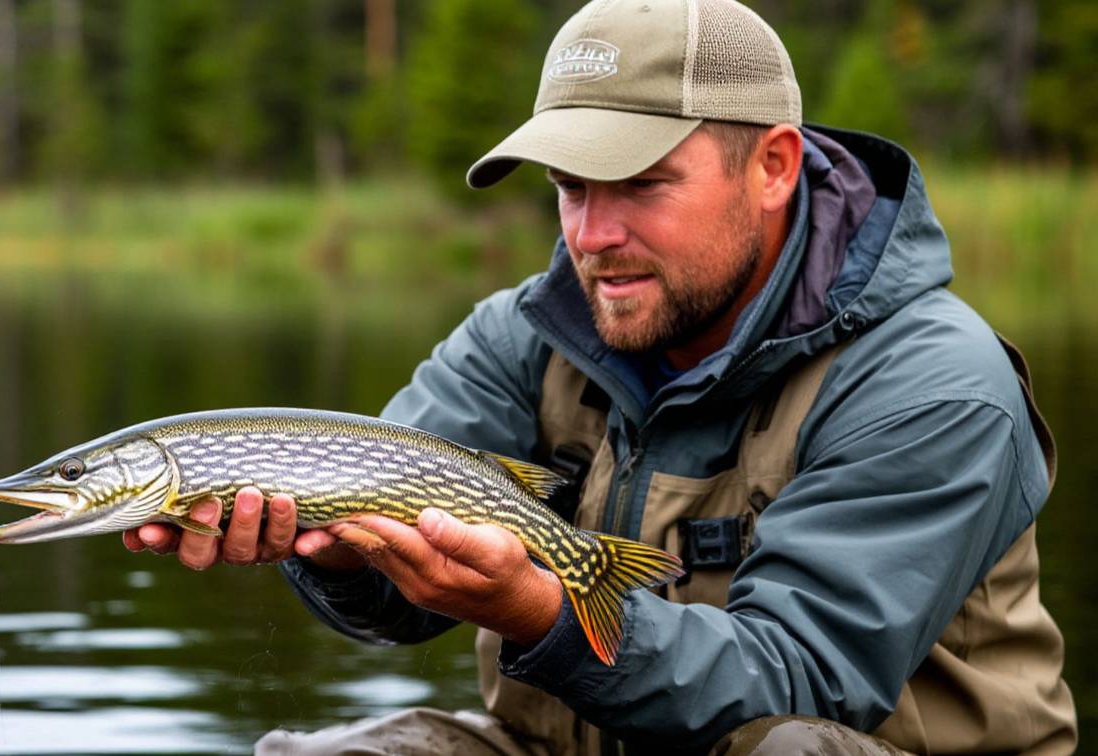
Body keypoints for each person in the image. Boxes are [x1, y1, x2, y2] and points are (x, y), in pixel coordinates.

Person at [124, 0, 1077, 753]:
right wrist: (329, 549)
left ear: (775, 166)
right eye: (571, 187)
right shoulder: (522, 335)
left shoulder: (936, 386)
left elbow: (796, 679)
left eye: (642, 185)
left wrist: (540, 613)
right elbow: (392, 610)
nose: (591, 235)